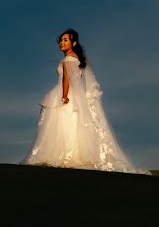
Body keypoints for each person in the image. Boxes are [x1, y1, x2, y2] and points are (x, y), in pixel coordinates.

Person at [21, 29, 148, 174]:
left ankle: (65, 156)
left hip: (66, 93)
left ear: (73, 43)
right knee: (71, 126)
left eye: (66, 40)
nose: (62, 43)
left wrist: (64, 96)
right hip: (74, 94)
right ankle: (73, 155)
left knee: (63, 126)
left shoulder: (68, 59)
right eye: (61, 40)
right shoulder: (77, 58)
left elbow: (66, 79)